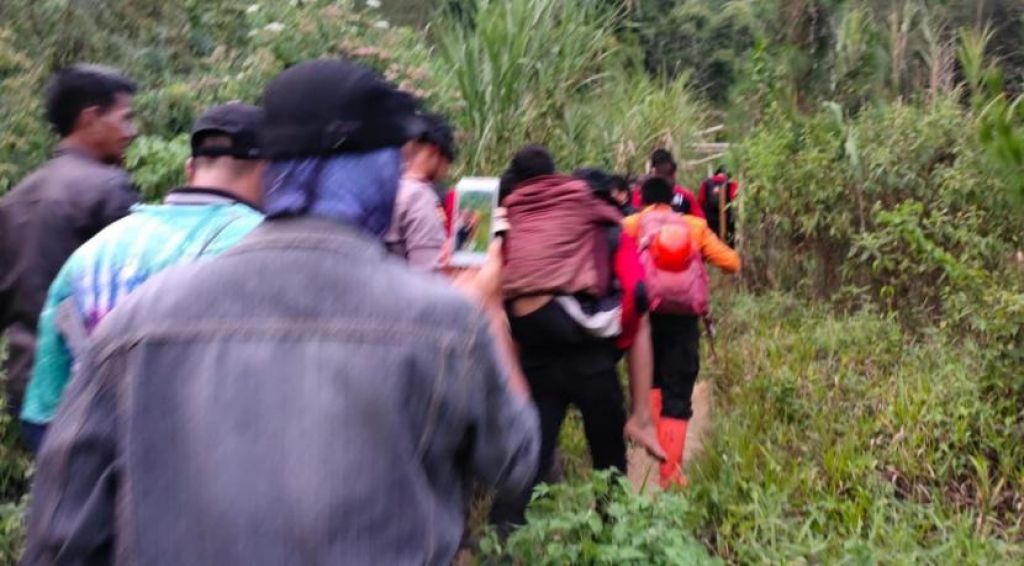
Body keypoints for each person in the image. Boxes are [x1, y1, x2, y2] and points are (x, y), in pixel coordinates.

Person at [23, 58, 539, 565]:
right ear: (381, 170)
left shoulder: (134, 323)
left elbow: (61, 536)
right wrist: (488, 304)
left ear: (271, 168)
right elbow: (514, 461)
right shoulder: (444, 324)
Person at [18, 103, 267, 453]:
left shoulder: (92, 254)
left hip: (100, 479)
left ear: (190, 168)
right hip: (211, 478)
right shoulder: (267, 248)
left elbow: (44, 414)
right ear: (270, 171)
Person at [489, 149, 661, 533]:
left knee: (527, 463)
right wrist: (641, 413)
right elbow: (636, 300)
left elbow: (498, 308)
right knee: (609, 462)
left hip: (535, 362)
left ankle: (499, 548)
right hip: (594, 362)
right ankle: (613, 541)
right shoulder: (604, 227)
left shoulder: (509, 229)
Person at [0, 65, 138, 421]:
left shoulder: (14, 199)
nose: (131, 132)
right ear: (90, 118)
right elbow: (131, 294)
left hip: (29, 388)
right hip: (91, 387)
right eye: (124, 119)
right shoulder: (107, 189)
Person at [623, 176, 740, 488]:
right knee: (678, 391)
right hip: (684, 318)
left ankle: (651, 447)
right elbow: (732, 262)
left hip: (645, 315)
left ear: (642, 200)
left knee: (653, 377)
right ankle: (670, 472)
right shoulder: (694, 227)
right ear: (672, 198)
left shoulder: (632, 224)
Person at [385, 112, 455, 271]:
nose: (446, 172)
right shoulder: (418, 197)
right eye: (447, 163)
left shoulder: (384, 188)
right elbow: (429, 274)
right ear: (434, 152)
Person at [631, 148, 705, 219]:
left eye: (668, 175)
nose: (667, 180)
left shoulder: (683, 196)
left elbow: (700, 220)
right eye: (662, 175)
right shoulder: (641, 193)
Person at [698, 166, 739, 246]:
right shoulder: (731, 184)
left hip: (710, 218)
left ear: (716, 173)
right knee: (728, 243)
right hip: (726, 217)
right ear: (727, 175)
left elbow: (701, 201)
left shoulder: (706, 183)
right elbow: (735, 198)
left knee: (711, 243)